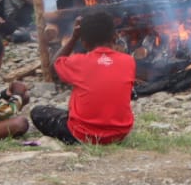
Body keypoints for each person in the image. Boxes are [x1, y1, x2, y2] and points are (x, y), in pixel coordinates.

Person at [29, 10, 135, 145]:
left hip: (83, 134)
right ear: (114, 37)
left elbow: (53, 67)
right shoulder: (128, 62)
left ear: (84, 43)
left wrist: (73, 38)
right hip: (120, 133)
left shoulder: (78, 62)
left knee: (38, 112)